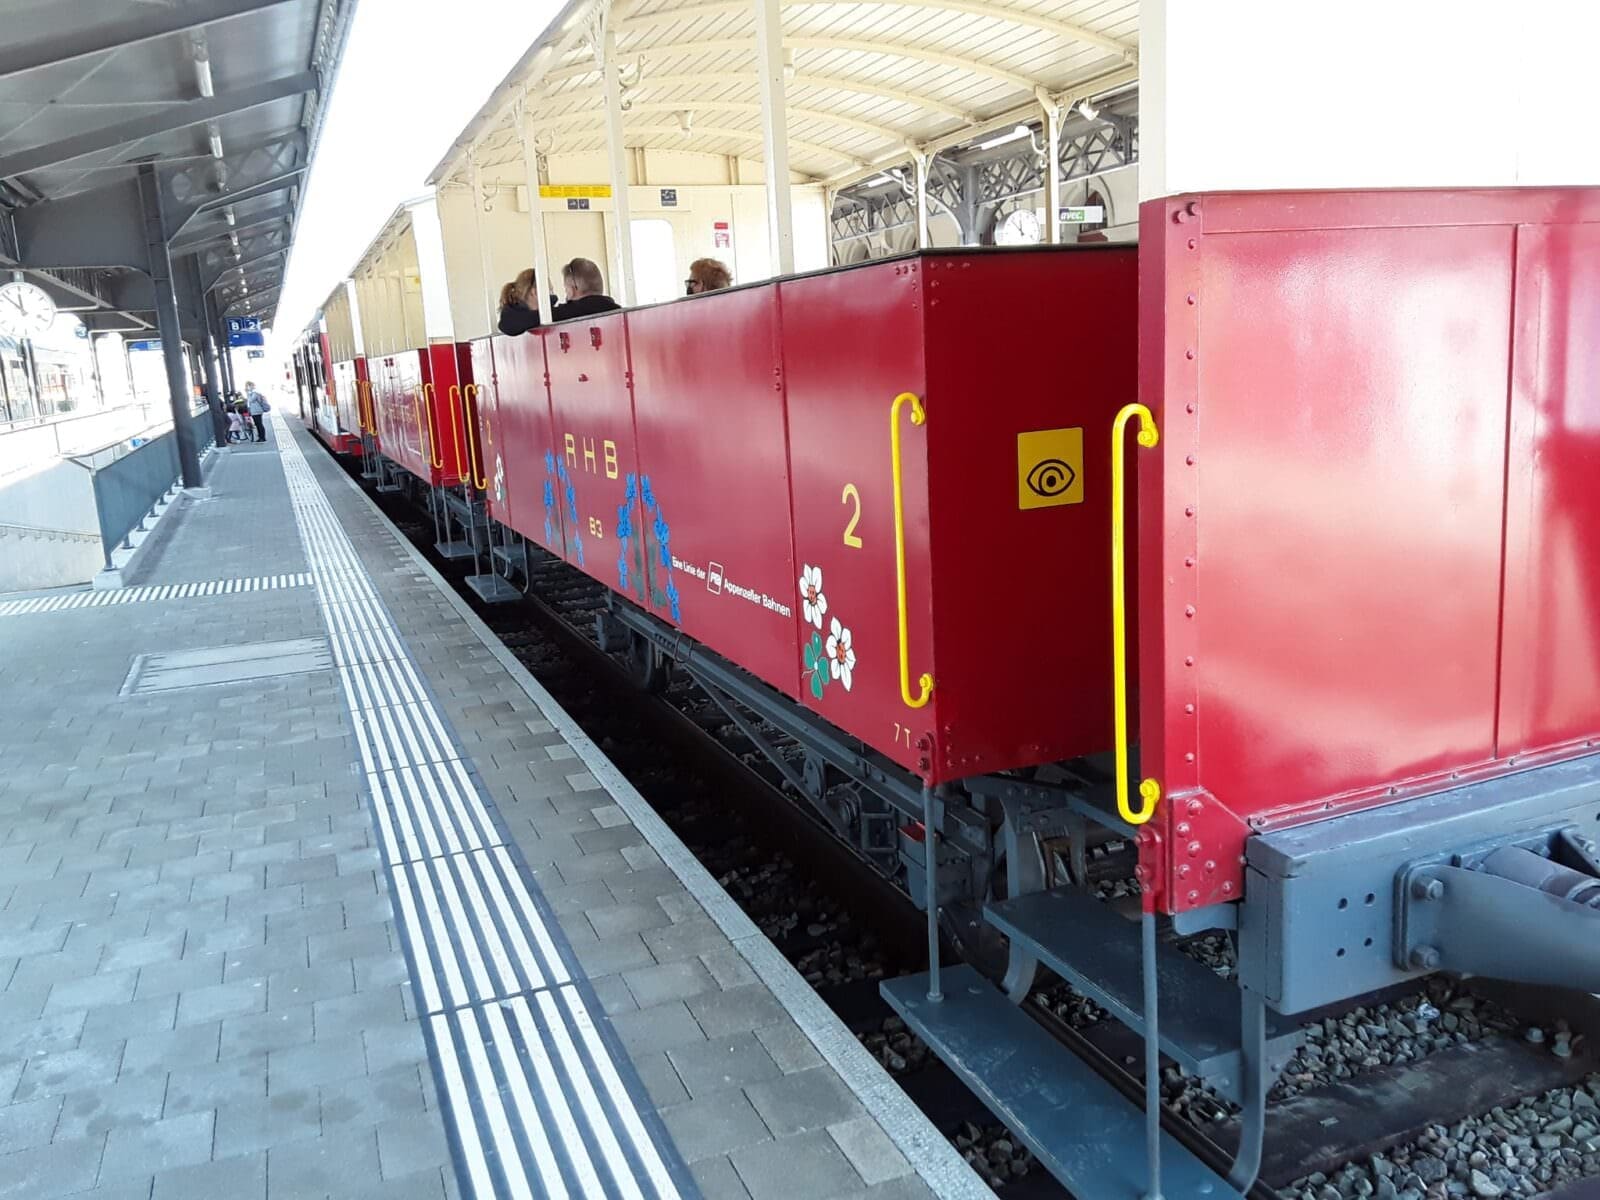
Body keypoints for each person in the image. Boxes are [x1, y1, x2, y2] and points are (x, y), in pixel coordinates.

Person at [550, 258, 621, 321]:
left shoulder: (564, 314)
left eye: (566, 289)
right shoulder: (619, 312)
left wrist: (551, 297)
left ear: (572, 289)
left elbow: (543, 316)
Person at [497, 269, 552, 336]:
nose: (551, 295)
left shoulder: (514, 318)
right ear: (534, 292)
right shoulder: (514, 321)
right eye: (550, 291)